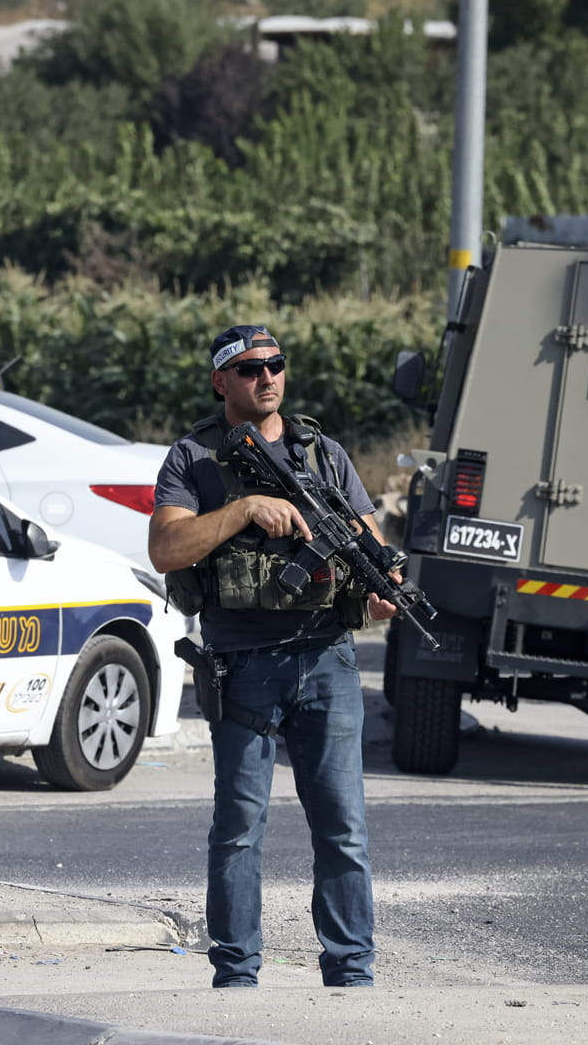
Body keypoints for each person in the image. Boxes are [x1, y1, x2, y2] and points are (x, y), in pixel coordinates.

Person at [148, 324, 398, 989]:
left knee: (343, 828)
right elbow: (167, 550)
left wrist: (384, 591)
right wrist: (246, 509)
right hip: (241, 662)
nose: (267, 377)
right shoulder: (194, 457)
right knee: (238, 828)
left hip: (326, 660)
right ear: (221, 381)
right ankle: (236, 974)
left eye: (276, 364)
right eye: (251, 368)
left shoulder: (323, 453)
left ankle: (351, 972)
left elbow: (372, 545)